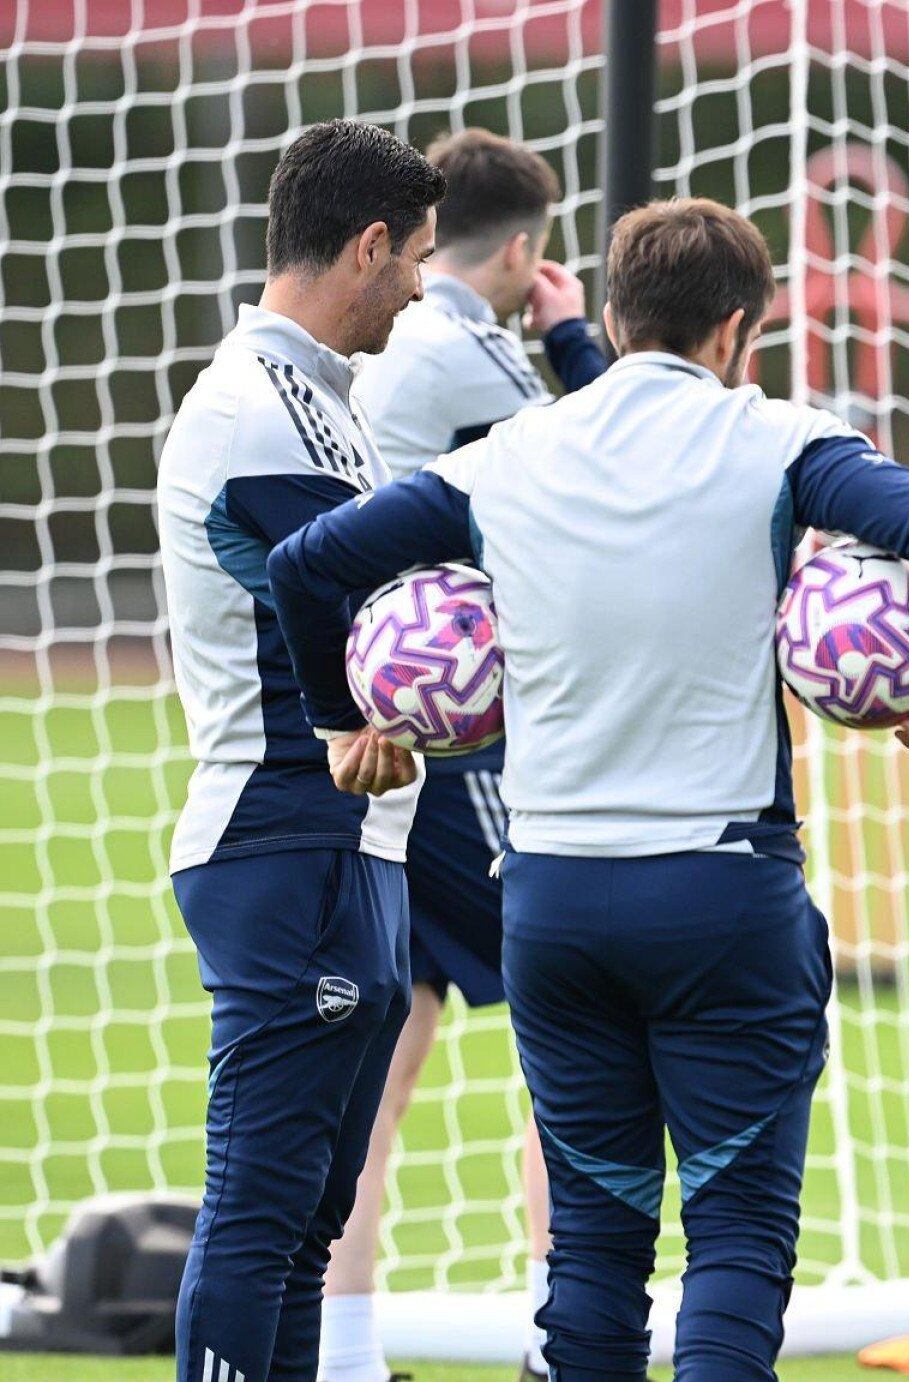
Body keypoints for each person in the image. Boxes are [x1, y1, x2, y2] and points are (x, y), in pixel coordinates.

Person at [264, 197, 909, 1380]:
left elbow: (307, 564)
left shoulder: (507, 456)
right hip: (724, 895)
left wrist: (339, 721)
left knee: (594, 1252)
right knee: (733, 1237)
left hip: (556, 902)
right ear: (737, 330)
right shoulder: (779, 439)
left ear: (615, 317)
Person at [154, 119, 443, 1382]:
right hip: (288, 838)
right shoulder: (257, 407)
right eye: (416, 259)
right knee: (263, 1209)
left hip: (351, 847)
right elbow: (381, 605)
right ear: (368, 246)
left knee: (310, 1222)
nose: (423, 287)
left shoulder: (322, 399)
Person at [321, 125, 610, 1382]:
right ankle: (566, 1333)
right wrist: (574, 332)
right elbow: (612, 473)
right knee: (577, 1033)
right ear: (529, 247)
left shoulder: (375, 345)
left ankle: (339, 1347)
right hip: (461, 752)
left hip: (374, 736)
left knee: (379, 1065)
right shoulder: (476, 350)